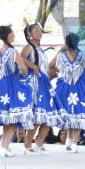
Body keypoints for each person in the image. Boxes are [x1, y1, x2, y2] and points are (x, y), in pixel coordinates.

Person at [0, 25, 34, 157]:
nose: (14, 35)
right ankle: (5, 146)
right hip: (12, 85)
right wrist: (17, 73)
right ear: (8, 35)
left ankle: (4, 145)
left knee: (7, 117)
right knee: (12, 118)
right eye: (13, 33)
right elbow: (24, 69)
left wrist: (0, 75)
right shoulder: (13, 51)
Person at [21, 23, 62, 154]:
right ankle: (27, 144)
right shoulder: (28, 47)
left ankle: (39, 143)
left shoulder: (39, 49)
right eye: (36, 30)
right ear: (29, 34)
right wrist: (33, 66)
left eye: (40, 30)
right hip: (34, 84)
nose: (39, 32)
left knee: (49, 116)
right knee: (37, 117)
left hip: (44, 84)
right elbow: (21, 58)